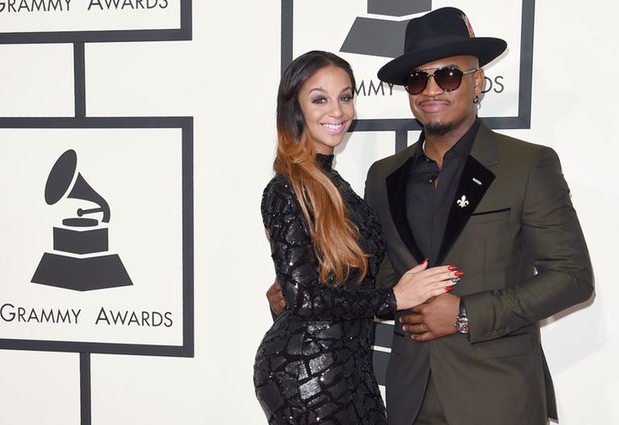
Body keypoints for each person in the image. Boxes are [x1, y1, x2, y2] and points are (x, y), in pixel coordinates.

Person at [269, 7, 594, 425]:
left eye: (449, 75)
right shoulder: (384, 176)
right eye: (418, 79)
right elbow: (383, 279)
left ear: (478, 81)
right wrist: (309, 292)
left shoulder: (526, 165)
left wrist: (465, 315)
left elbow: (572, 277)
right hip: (409, 397)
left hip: (499, 394)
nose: (432, 89)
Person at [254, 50, 461, 425]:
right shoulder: (286, 188)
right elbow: (302, 297)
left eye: (345, 97)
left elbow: (340, 283)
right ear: (295, 110)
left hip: (349, 362)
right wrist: (395, 297)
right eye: (320, 99)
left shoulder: (334, 185)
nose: (337, 111)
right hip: (308, 371)